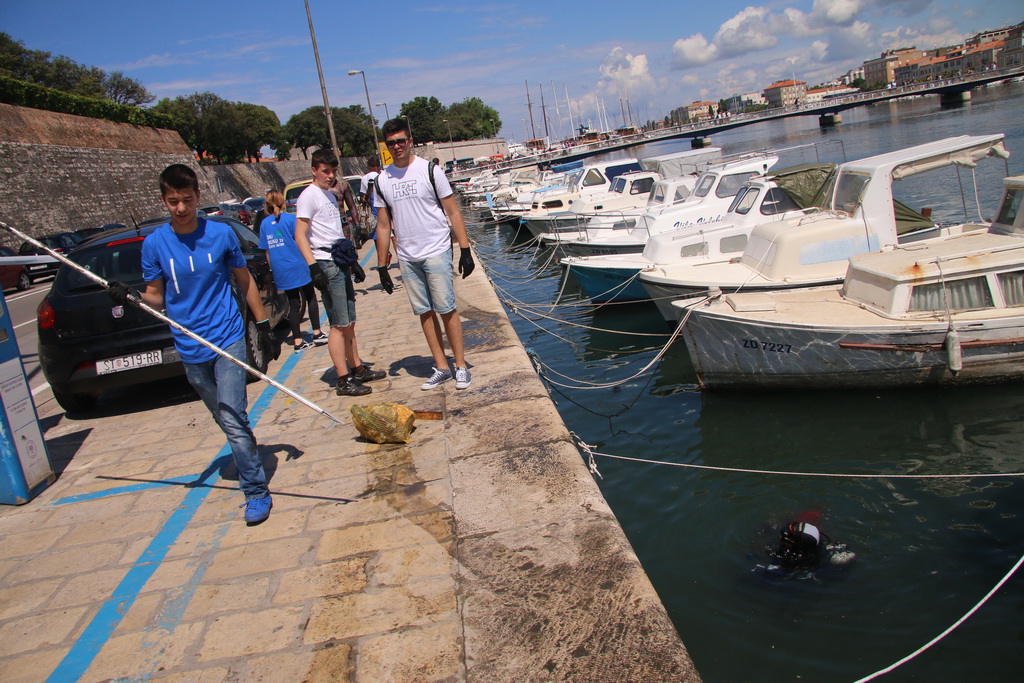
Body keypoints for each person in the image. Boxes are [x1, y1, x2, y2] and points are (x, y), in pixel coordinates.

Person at [107, 164, 275, 525]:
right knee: (224, 418)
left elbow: (244, 281)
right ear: (163, 201)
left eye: (186, 200)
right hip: (189, 344)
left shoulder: (220, 235)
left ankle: (256, 491)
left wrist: (262, 325)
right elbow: (155, 296)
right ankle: (246, 446)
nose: (181, 208)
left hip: (228, 337)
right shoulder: (154, 244)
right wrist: (131, 296)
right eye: (172, 202)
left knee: (232, 416)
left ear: (198, 197)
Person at [373, 117, 476, 391]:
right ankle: (441, 366)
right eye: (391, 143)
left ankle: (461, 365)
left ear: (409, 141)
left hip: (436, 249)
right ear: (387, 146)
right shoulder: (382, 180)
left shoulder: (430, 171)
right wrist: (382, 266)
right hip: (407, 255)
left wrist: (465, 249)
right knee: (424, 311)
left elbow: (453, 211)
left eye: (401, 141)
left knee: (446, 308)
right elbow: (383, 225)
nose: (397, 147)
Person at [294, 148, 385, 396]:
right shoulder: (308, 196)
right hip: (326, 262)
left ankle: (357, 368)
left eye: (334, 171)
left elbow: (335, 233)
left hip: (339, 260)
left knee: (350, 320)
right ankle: (343, 379)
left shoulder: (329, 195)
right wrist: (313, 266)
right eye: (326, 171)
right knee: (338, 324)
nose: (330, 175)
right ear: (314, 170)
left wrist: (353, 261)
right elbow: (300, 234)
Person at [257, 190, 327, 352]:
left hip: (280, 269)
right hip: (298, 263)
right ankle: (317, 332)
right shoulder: (291, 219)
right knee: (310, 296)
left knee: (293, 303)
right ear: (283, 203)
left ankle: (297, 340)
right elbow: (301, 240)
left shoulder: (265, 224)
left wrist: (272, 269)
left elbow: (266, 251)